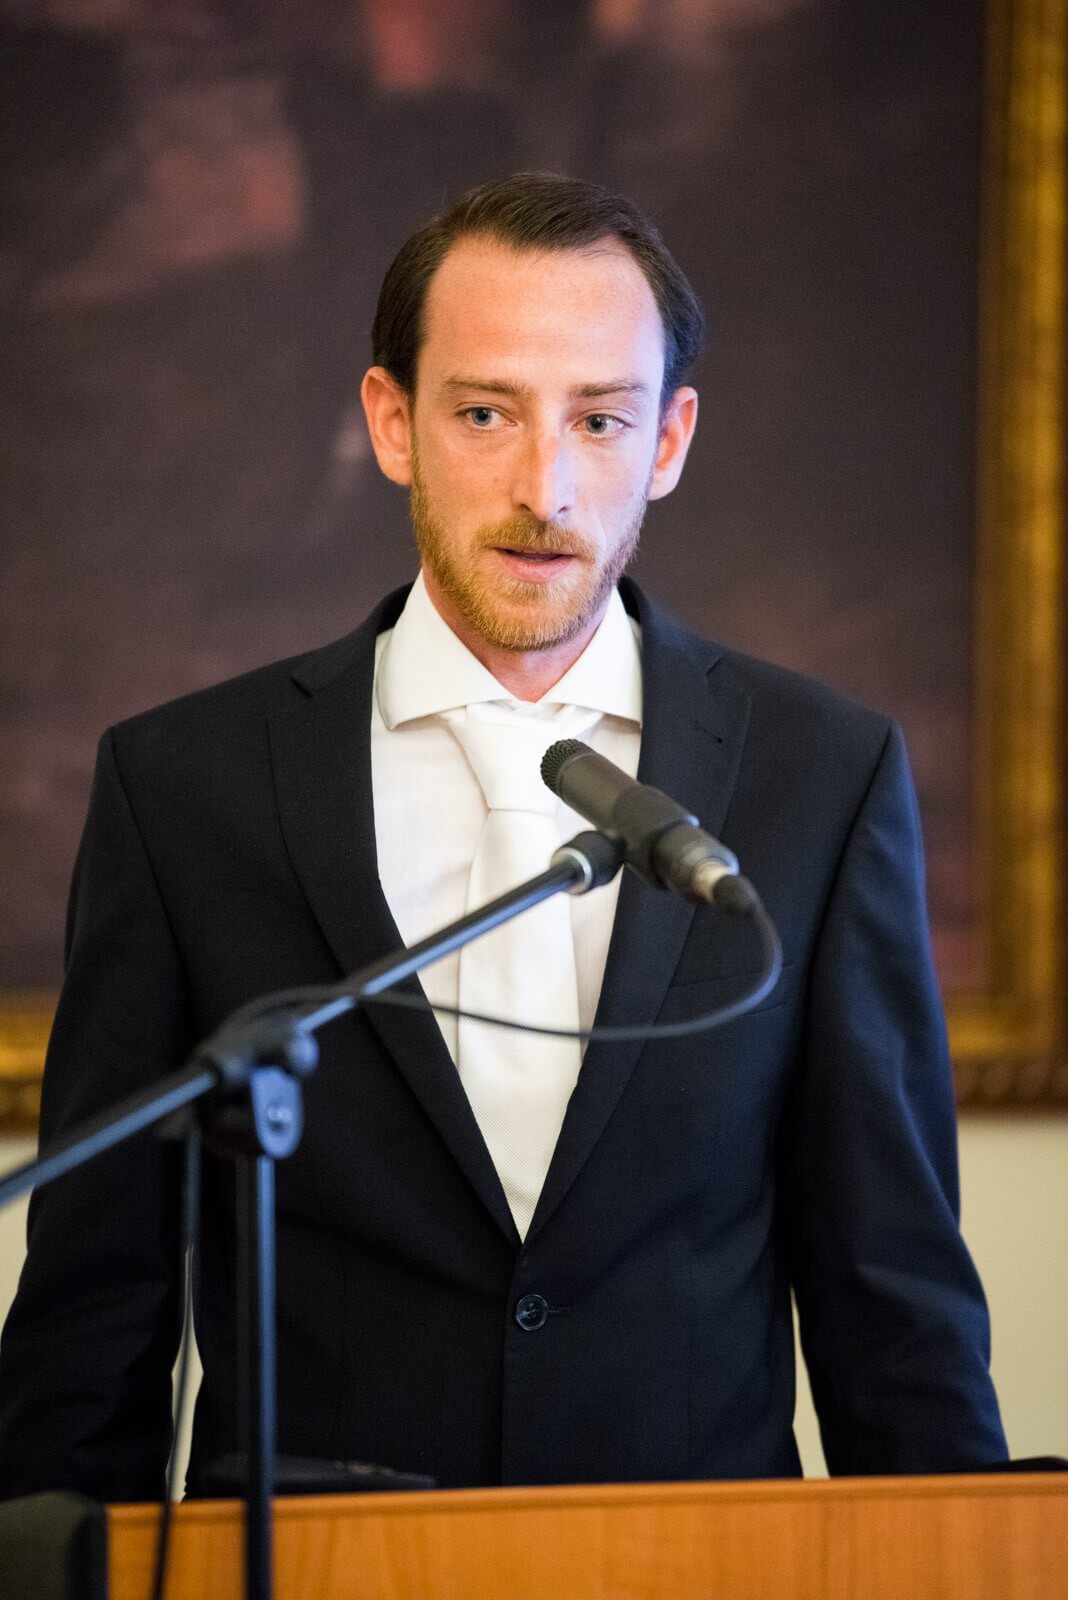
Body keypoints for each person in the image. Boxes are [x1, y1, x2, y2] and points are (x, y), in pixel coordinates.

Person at [0, 174, 1007, 1501]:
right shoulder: (183, 785)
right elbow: (93, 1310)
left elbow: (896, 1301)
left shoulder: (823, 774)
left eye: (600, 419)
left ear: (669, 440)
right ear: (392, 422)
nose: (546, 487)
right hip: (318, 1573)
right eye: (486, 413)